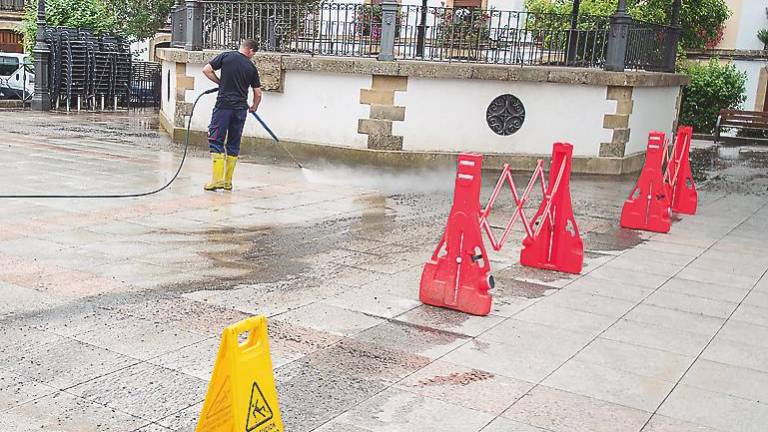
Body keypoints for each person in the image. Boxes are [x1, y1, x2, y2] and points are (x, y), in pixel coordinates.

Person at [201, 39, 262, 191]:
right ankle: (227, 182)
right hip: (241, 109)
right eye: (254, 53)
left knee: (216, 140)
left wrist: (220, 83)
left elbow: (206, 70)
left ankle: (216, 181)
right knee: (233, 144)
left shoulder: (226, 57)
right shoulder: (251, 67)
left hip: (223, 107)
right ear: (251, 51)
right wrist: (254, 107)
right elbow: (258, 93)